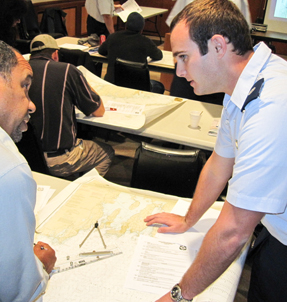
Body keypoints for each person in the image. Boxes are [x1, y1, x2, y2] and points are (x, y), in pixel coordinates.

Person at [144, 0, 287, 301]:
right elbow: (219, 163)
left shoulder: (272, 105)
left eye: (184, 57)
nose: (180, 72)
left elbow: (234, 231)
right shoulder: (241, 85)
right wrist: (188, 219)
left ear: (218, 46)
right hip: (274, 231)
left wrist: (178, 296)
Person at [0, 41, 56, 301]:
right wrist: (39, 266)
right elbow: (16, 290)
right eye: (24, 85)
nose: (31, 105)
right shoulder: (10, 170)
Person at [28, 34, 114, 178]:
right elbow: (98, 111)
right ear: (55, 54)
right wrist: (85, 84)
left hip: (26, 155)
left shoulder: (19, 72)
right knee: (106, 152)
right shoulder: (67, 70)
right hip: (58, 159)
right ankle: (81, 191)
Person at [98, 12, 165, 93]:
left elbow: (101, 51)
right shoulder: (145, 41)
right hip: (138, 87)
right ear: (142, 29)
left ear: (126, 26)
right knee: (158, 86)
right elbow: (158, 55)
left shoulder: (113, 37)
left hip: (113, 83)